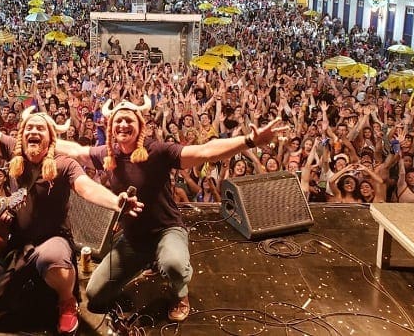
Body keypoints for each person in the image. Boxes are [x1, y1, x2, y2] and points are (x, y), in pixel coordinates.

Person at [0, 71, 142, 335]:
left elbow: (86, 188)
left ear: (50, 139)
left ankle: (67, 302)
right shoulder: (15, 153)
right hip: (18, 243)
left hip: (53, 240)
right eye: (30, 128)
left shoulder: (63, 163)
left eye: (41, 128)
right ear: (22, 135)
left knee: (52, 259)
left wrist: (116, 202)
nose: (34, 130)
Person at [56, 95, 286, 322]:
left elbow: (206, 151)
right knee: (95, 296)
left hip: (167, 230)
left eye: (129, 120)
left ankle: (180, 293)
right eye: (118, 120)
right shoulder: (108, 154)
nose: (123, 124)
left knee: (174, 266)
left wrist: (248, 141)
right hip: (134, 239)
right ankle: (150, 260)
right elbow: (76, 151)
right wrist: (41, 134)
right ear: (111, 126)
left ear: (140, 126)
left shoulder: (158, 151)